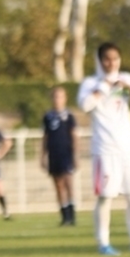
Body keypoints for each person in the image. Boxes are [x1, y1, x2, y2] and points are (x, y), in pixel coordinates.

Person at [77, 42, 130, 256]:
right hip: (104, 150)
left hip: (128, 148)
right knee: (106, 197)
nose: (111, 63)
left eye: (115, 58)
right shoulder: (90, 82)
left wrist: (129, 88)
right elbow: (85, 105)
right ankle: (104, 243)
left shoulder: (127, 79)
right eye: (107, 59)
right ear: (100, 60)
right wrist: (104, 86)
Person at [41, 86, 78, 226]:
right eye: (55, 97)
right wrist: (42, 156)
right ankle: (64, 217)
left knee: (68, 183)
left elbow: (74, 136)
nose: (57, 100)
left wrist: (75, 155)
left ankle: (72, 215)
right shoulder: (48, 117)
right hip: (53, 154)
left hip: (66, 154)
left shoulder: (69, 116)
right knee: (58, 185)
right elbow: (45, 137)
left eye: (60, 96)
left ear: (65, 98)